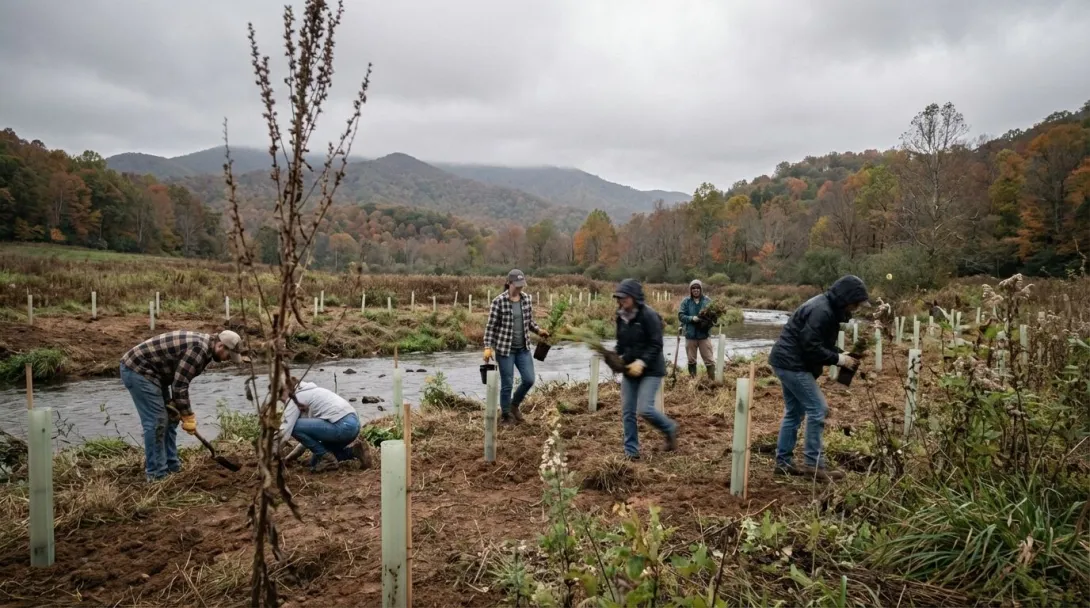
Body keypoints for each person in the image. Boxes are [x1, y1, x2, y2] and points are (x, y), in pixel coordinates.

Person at [768, 274, 869, 481]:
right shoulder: (822, 311)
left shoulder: (827, 307)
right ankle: (814, 466)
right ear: (846, 298)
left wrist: (842, 354)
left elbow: (819, 342)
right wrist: (839, 360)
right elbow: (810, 346)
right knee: (818, 409)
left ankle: (783, 463)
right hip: (792, 364)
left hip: (786, 361)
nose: (855, 309)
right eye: (855, 304)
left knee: (795, 412)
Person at [120, 330, 245, 482]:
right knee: (156, 422)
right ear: (220, 346)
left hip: (158, 375)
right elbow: (180, 386)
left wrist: (178, 407)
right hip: (139, 370)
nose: (227, 360)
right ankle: (156, 476)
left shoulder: (206, 349)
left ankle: (172, 466)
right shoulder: (199, 350)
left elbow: (178, 380)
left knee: (171, 419)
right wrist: (188, 416)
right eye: (228, 356)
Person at [613, 278, 678, 460]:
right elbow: (621, 343)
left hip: (651, 370)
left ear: (634, 297)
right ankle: (631, 452)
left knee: (645, 409)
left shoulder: (649, 316)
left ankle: (670, 428)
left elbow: (656, 344)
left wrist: (641, 362)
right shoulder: (621, 316)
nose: (621, 301)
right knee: (627, 411)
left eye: (624, 297)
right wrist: (615, 355)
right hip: (630, 369)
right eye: (619, 298)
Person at [483, 269, 550, 424]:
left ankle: (514, 405)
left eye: (522, 285)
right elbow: (491, 327)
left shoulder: (526, 299)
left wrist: (539, 330)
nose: (520, 288)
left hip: (523, 349)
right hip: (505, 350)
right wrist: (488, 347)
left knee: (529, 379)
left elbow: (529, 321)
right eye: (517, 285)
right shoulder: (498, 302)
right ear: (509, 283)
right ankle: (506, 415)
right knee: (507, 384)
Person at [277, 374, 367, 472]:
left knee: (293, 426)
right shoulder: (312, 392)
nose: (281, 400)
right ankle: (354, 452)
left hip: (343, 426)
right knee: (314, 462)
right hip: (353, 425)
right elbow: (306, 438)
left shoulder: (296, 397)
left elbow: (285, 431)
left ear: (285, 390)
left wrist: (269, 456)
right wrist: (289, 459)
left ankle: (328, 459)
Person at [678, 279, 714, 377]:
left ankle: (712, 382)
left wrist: (707, 320)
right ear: (690, 290)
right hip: (690, 335)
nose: (696, 290)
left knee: (709, 360)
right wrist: (691, 318)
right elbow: (681, 316)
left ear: (701, 289)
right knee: (691, 360)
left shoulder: (708, 301)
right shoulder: (686, 301)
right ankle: (693, 382)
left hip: (704, 335)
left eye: (698, 288)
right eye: (693, 288)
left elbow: (714, 317)